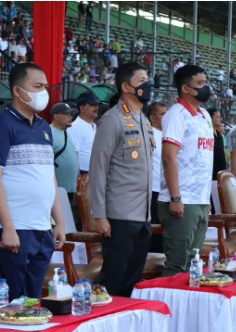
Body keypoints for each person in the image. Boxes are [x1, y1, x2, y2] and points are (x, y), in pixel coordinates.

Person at [0, 63, 66, 305]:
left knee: (32, 302)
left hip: (41, 227)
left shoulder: (43, 127)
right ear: (18, 91)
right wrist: (7, 227)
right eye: (37, 86)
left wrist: (58, 221)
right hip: (12, 227)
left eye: (46, 87)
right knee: (7, 304)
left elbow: (49, 176)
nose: (44, 93)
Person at [89, 62, 154, 296]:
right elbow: (98, 168)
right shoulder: (113, 119)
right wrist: (99, 214)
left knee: (132, 278)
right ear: (126, 86)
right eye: (142, 81)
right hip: (120, 214)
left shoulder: (144, 120)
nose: (148, 85)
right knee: (114, 278)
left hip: (142, 213)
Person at [159, 64, 213, 276]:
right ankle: (168, 307)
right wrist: (175, 197)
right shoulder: (176, 115)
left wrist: (205, 198)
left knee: (194, 261)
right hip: (181, 199)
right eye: (200, 84)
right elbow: (168, 156)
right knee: (177, 263)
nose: (205, 87)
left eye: (205, 83)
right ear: (185, 88)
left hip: (198, 199)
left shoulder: (204, 116)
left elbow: (203, 158)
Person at [49, 102, 79, 217]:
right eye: (66, 114)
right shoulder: (49, 132)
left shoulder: (65, 133)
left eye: (71, 114)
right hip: (58, 191)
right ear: (56, 116)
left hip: (69, 189)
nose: (70, 117)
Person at [147, 101, 167, 253]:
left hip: (166, 190)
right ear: (153, 118)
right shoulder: (149, 134)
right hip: (152, 189)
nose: (166, 117)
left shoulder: (168, 134)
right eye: (162, 114)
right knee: (154, 229)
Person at [68, 92, 99, 174]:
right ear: (82, 108)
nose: (96, 107)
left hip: (93, 171)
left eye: (97, 105)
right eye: (92, 105)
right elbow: (73, 154)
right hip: (82, 172)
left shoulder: (94, 125)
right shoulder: (75, 127)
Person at [208, 108, 228, 181]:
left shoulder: (219, 135)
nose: (220, 119)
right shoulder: (208, 134)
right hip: (211, 173)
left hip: (221, 173)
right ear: (210, 118)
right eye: (218, 117)